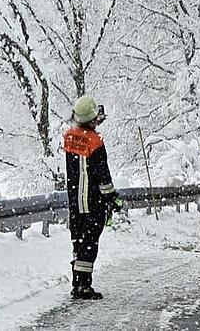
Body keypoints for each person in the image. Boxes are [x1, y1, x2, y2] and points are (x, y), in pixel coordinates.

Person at [62, 95, 124, 300]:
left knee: (78, 241)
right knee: (90, 243)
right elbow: (102, 176)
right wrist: (112, 197)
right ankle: (84, 287)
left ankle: (77, 283)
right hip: (93, 201)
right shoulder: (95, 142)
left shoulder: (69, 138)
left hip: (74, 203)